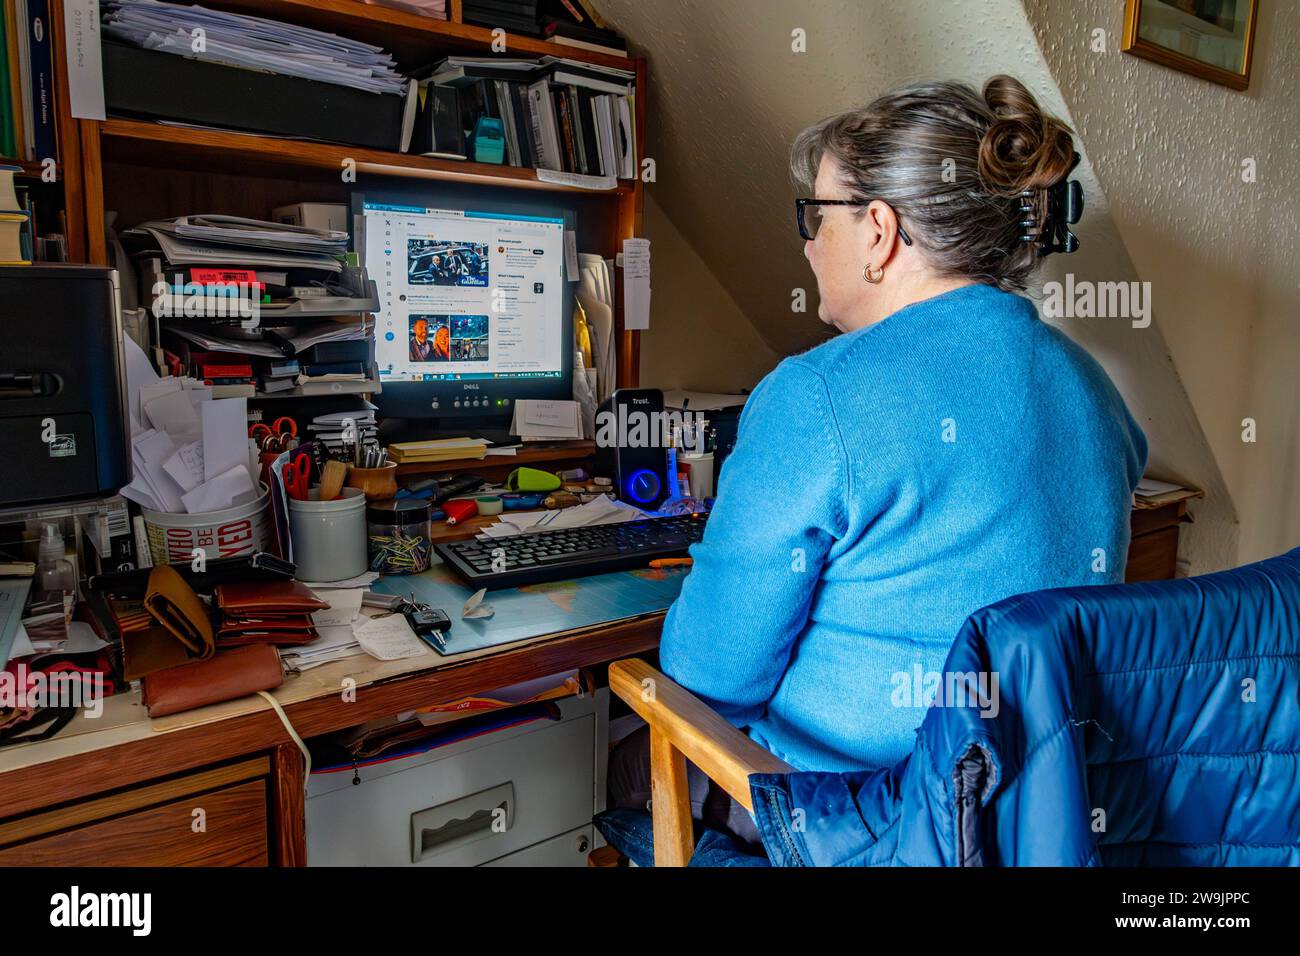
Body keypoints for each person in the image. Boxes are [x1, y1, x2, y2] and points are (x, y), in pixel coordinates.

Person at [608, 75, 1148, 851]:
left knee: (623, 757)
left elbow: (711, 677)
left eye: (816, 215)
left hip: (856, 818)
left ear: (880, 232)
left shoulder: (816, 396)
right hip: (1032, 816)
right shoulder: (1091, 386)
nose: (805, 241)